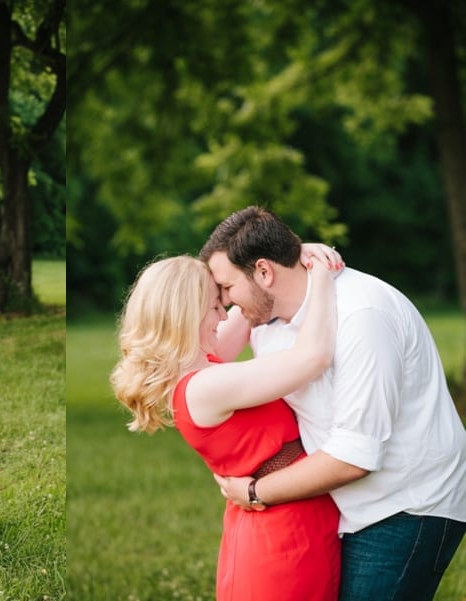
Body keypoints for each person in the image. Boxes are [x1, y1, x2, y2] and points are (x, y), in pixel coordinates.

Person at [205, 206, 466, 601]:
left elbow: (354, 457)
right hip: (342, 504)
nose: (223, 303)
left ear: (263, 272)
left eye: (226, 288)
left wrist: (256, 492)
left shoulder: (362, 316)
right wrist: (297, 259)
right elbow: (203, 359)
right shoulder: (268, 316)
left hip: (408, 504)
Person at [111, 245, 344, 600]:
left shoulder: (201, 367)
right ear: (185, 317)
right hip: (280, 534)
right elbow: (313, 357)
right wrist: (320, 275)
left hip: (287, 516)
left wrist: (289, 257)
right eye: (215, 307)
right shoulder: (204, 387)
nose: (224, 316)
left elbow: (248, 306)